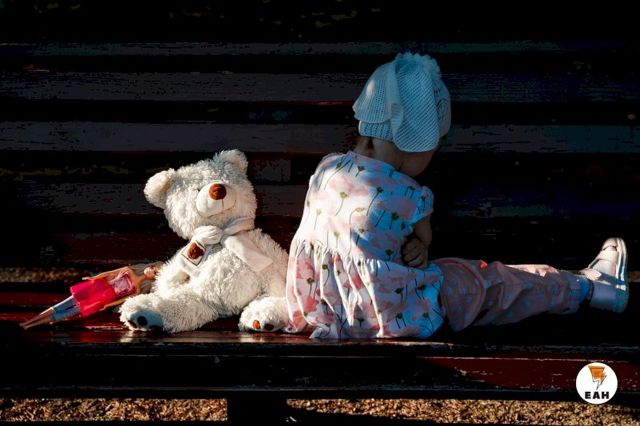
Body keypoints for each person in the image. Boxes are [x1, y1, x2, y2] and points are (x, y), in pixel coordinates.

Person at [284, 52, 629, 339]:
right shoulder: (410, 195)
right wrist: (420, 246)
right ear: (414, 141)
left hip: (334, 313)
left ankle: (588, 286)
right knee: (491, 283)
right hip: (398, 312)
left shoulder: (327, 170)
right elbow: (423, 241)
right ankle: (591, 288)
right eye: (434, 144)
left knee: (466, 278)